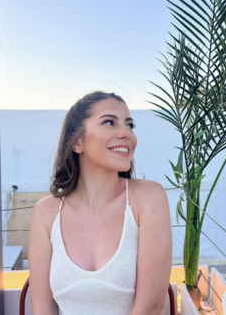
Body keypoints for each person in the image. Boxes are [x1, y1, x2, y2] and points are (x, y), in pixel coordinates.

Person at [28, 91, 172, 315]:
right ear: (76, 141)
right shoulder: (46, 212)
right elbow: (42, 308)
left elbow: (151, 307)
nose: (126, 134)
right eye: (109, 122)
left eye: (130, 125)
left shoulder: (148, 198)